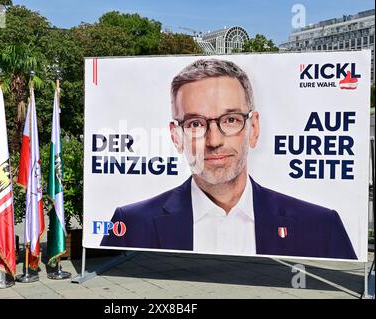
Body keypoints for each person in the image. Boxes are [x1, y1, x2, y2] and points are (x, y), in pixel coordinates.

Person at [101, 58, 357, 260]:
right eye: (195, 123)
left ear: (253, 128)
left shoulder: (322, 226)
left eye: (231, 120)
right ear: (176, 136)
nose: (214, 141)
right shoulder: (131, 222)